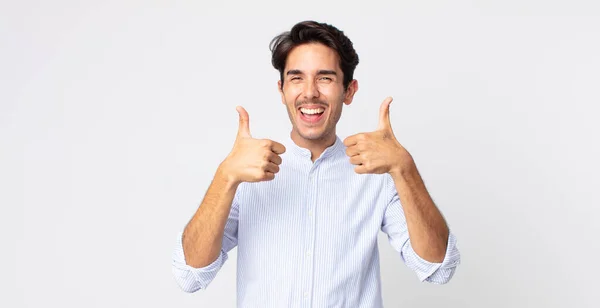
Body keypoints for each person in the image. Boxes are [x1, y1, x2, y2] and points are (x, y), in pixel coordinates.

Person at [171, 20, 460, 307]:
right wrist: (225, 177)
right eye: (296, 78)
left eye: (325, 78)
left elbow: (437, 268)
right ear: (282, 89)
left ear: (348, 91)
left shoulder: (378, 173)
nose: (309, 92)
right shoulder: (245, 173)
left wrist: (404, 168)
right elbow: (190, 276)